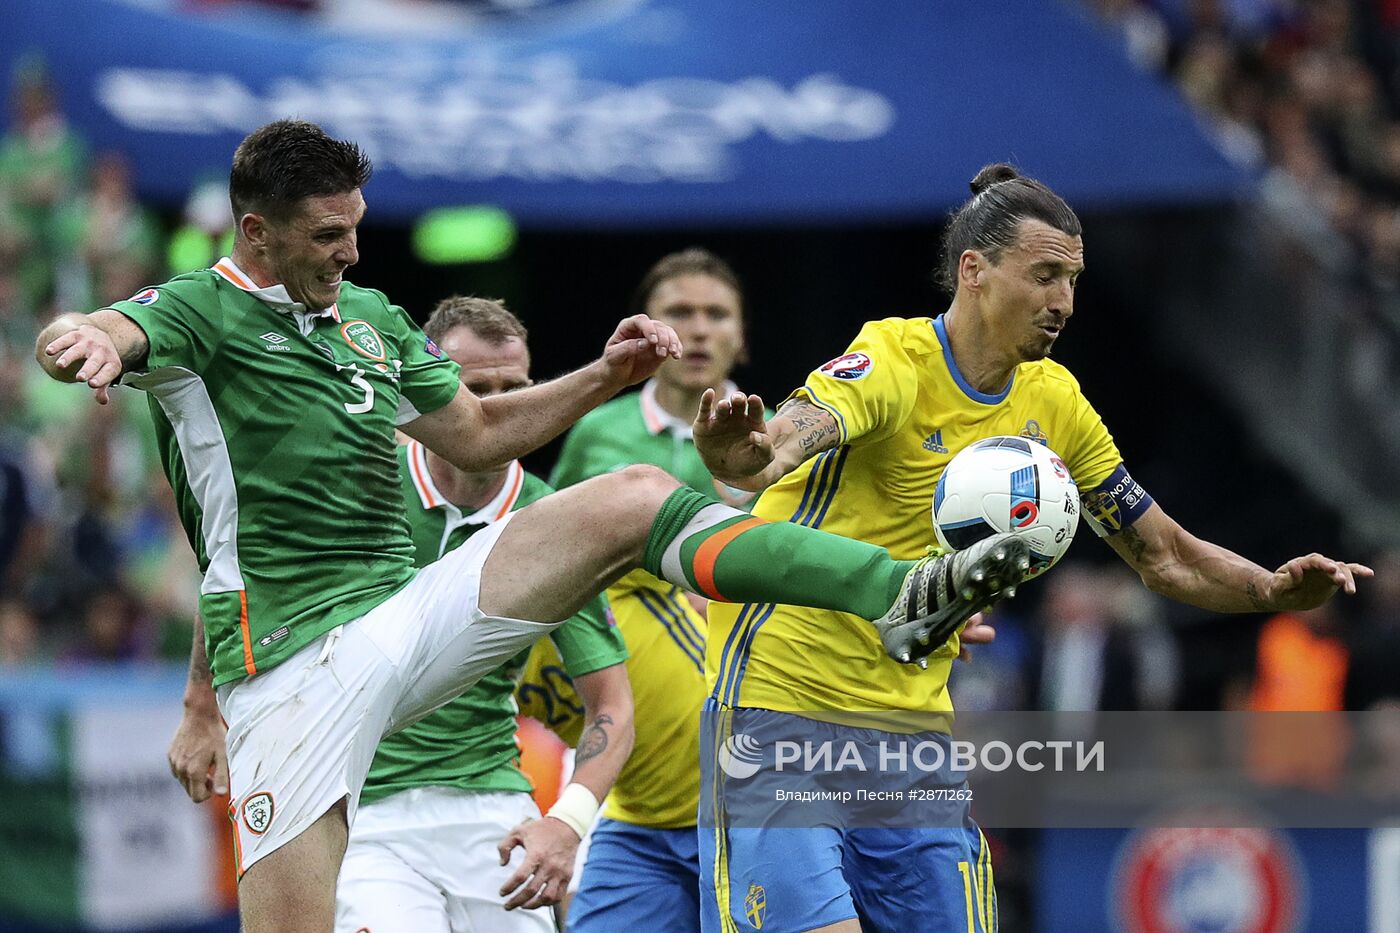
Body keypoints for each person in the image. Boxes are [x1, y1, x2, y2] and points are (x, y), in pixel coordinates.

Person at [33, 120, 1021, 933]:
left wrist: (605, 374)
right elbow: (114, 330)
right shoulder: (202, 311)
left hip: (404, 621)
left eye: (355, 227)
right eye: (329, 236)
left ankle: (891, 590)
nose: (353, 252)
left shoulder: (368, 318)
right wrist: (85, 339)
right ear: (257, 232)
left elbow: (476, 429)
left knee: (634, 495)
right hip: (291, 672)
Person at [692, 163, 1373, 933]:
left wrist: (1267, 589)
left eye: (1074, 280)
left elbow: (1164, 555)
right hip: (780, 710)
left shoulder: (1053, 402)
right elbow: (777, 447)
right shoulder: (891, 361)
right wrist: (739, 454)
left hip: (913, 733)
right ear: (974, 271)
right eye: (1046, 274)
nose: (1064, 302)